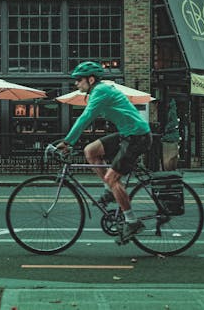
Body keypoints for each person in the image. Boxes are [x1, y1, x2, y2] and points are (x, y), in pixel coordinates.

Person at [56, 61, 152, 244]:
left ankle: (132, 221)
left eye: (79, 80)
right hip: (127, 133)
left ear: (91, 79)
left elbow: (86, 117)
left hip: (137, 137)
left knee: (112, 177)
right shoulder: (97, 91)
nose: (76, 84)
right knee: (90, 151)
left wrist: (68, 141)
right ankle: (110, 190)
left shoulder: (100, 91)